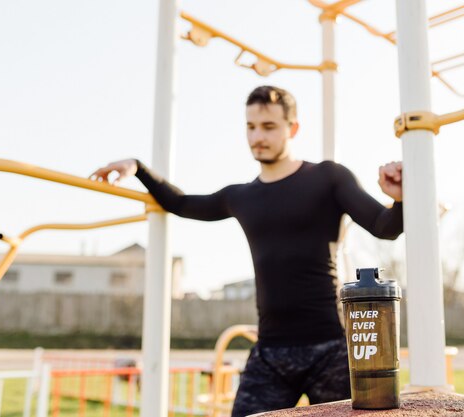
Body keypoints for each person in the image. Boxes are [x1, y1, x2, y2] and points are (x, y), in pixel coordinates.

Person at [90, 85, 404, 417]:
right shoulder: (240, 197)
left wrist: (400, 197)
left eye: (269, 126)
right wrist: (138, 168)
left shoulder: (328, 178)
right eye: (251, 127)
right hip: (270, 353)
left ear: (292, 128)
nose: (258, 136)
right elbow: (180, 203)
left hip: (329, 350)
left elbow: (386, 227)